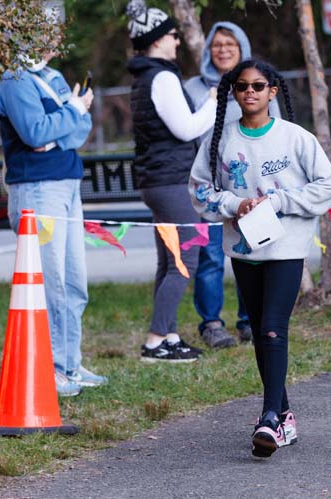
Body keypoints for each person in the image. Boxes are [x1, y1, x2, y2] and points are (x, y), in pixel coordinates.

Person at [190, 60, 331, 457]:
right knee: (260, 331)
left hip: (286, 247)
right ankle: (284, 415)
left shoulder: (295, 138)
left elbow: (329, 185)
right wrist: (236, 203)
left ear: (273, 90)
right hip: (244, 249)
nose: (250, 92)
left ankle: (270, 417)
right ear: (233, 92)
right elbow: (200, 190)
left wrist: (280, 202)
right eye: (241, 86)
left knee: (274, 327)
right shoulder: (220, 140)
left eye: (259, 85)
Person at [0, 0, 106, 397]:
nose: (49, 39)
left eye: (53, 31)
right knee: (52, 282)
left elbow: (78, 133)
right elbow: (34, 133)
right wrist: (73, 110)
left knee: (75, 281)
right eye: (42, 30)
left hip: (67, 183)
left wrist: (61, 127)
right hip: (38, 190)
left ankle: (70, 363)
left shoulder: (53, 75)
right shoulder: (15, 79)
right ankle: (53, 367)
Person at [126, 0, 216, 363]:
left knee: (169, 261)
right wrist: (212, 103)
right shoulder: (162, 77)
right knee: (185, 262)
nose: (178, 41)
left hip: (159, 181)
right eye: (173, 35)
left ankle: (170, 335)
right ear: (158, 38)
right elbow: (186, 128)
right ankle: (154, 341)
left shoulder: (145, 76)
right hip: (172, 182)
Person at [184, 21, 281, 348]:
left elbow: (276, 132)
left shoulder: (257, 83)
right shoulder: (194, 88)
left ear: (242, 48)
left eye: (230, 44)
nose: (223, 49)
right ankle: (211, 324)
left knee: (250, 254)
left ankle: (248, 320)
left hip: (251, 189)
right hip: (211, 187)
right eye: (217, 44)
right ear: (208, 50)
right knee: (210, 257)